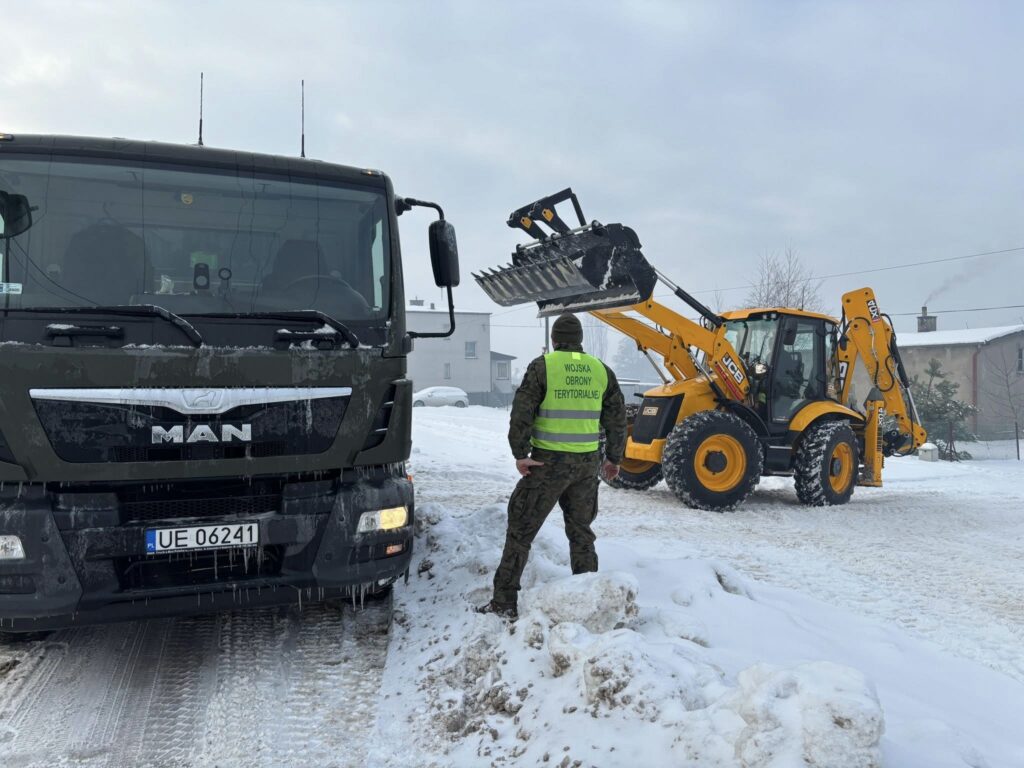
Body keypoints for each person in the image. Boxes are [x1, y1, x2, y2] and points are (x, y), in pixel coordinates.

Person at [479, 312, 627, 619]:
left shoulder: (543, 366)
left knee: (520, 532)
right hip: (587, 466)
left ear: (554, 339)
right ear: (580, 340)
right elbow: (616, 419)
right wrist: (613, 458)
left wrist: (520, 453)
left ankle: (504, 603)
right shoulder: (601, 370)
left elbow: (522, 411)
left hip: (547, 464)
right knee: (581, 533)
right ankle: (588, 602)